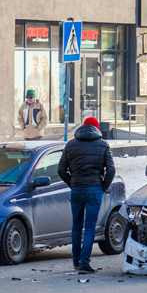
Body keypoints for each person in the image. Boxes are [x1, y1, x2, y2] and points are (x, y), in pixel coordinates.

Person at [58, 116, 115, 274]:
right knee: (89, 227)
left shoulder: (70, 145)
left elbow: (60, 170)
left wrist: (72, 183)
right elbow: (111, 170)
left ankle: (76, 261)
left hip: (76, 189)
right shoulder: (103, 145)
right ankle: (84, 263)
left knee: (76, 226)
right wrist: (103, 186)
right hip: (94, 189)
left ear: (82, 127)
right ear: (97, 129)